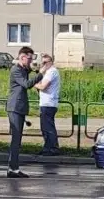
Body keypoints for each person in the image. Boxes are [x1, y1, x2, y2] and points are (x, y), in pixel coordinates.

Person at [6, 46, 40, 178]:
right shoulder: (16, 70)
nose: (30, 61)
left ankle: (13, 168)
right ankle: (12, 169)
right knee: (16, 139)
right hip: (15, 107)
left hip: (19, 107)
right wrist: (40, 74)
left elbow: (28, 70)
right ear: (22, 57)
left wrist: (34, 68)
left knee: (17, 140)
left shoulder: (22, 69)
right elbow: (26, 84)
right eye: (29, 58)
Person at [35, 52, 62, 155]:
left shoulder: (51, 72)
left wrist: (34, 83)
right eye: (42, 62)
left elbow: (43, 86)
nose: (43, 64)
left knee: (48, 127)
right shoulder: (48, 72)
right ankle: (47, 147)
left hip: (49, 103)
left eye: (46, 62)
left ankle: (53, 148)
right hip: (46, 103)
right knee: (45, 127)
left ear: (51, 62)